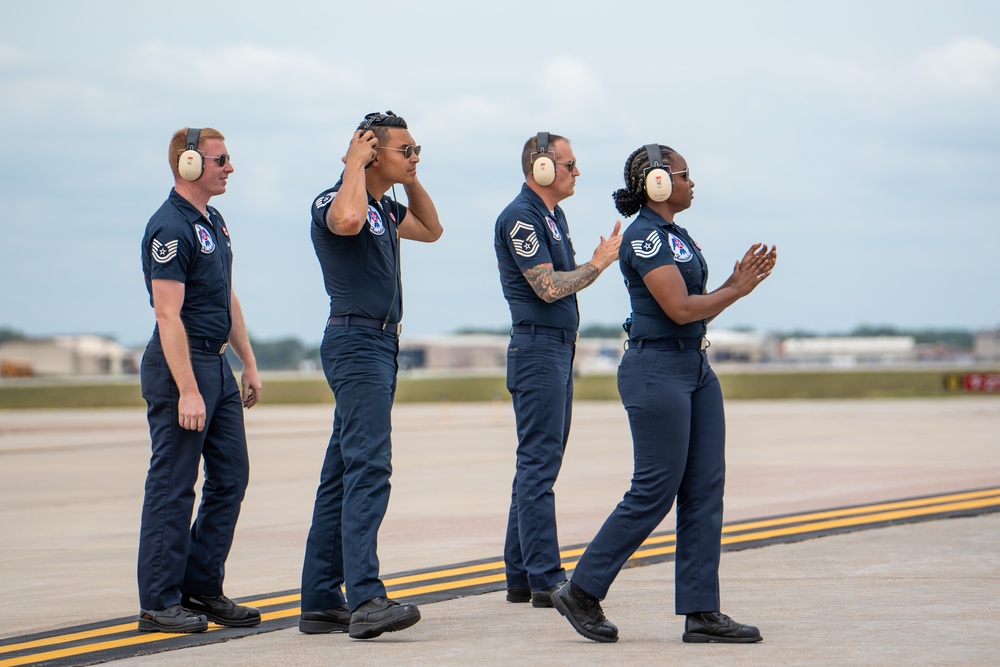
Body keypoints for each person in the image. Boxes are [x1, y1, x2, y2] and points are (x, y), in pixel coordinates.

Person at [552, 143, 777, 644]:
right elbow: (678, 308)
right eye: (684, 174)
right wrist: (736, 288)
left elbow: (696, 309)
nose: (692, 182)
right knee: (655, 487)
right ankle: (582, 589)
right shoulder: (644, 237)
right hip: (656, 369)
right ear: (657, 182)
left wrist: (732, 287)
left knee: (703, 489)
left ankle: (701, 612)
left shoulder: (677, 235)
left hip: (693, 365)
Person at [300, 111, 442, 639]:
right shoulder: (337, 200)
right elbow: (345, 223)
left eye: (415, 149)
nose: (414, 156)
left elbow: (431, 229)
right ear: (370, 150)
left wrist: (409, 175)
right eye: (405, 150)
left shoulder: (385, 205)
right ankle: (365, 597)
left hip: (381, 343)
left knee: (340, 474)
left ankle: (320, 600)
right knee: (369, 469)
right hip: (357, 342)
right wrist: (354, 168)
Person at [137, 127, 262, 633]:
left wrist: (247, 362)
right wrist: (187, 388)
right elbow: (169, 316)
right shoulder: (170, 227)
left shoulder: (216, 222)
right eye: (221, 160)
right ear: (190, 165)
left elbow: (226, 297)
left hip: (216, 364)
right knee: (173, 484)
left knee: (231, 477)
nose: (230, 167)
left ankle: (202, 588)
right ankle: (159, 600)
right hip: (179, 366)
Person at [494, 132, 622, 609]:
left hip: (557, 349)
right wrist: (599, 262)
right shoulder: (521, 217)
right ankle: (546, 578)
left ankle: (520, 575)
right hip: (537, 350)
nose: (576, 172)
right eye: (569, 164)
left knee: (536, 462)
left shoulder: (553, 215)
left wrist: (592, 264)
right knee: (538, 465)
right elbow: (549, 287)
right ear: (542, 168)